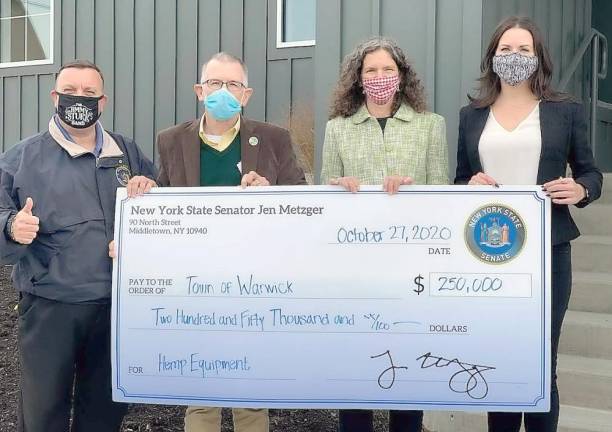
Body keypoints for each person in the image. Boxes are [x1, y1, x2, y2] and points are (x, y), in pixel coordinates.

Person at [455, 16, 602, 432]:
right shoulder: (472, 114)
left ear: (538, 57)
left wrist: (580, 190)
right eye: (506, 49)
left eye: (523, 49)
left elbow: (591, 174)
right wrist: (471, 183)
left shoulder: (564, 111)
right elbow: (460, 177)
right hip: (489, 252)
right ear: (492, 57)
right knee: (499, 361)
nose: (514, 57)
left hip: (548, 251)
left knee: (540, 363)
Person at [0, 60, 156, 432]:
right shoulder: (22, 157)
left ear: (102, 102)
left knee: (104, 412)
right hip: (50, 306)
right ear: (55, 96)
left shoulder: (126, 152)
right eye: (71, 90)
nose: (79, 99)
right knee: (43, 413)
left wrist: (149, 187)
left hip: (115, 307)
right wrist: (10, 225)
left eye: (89, 93)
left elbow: (159, 206)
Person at [156, 52, 306, 432]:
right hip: (195, 283)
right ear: (199, 90)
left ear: (247, 94)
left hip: (253, 283)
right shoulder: (171, 141)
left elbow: (301, 201)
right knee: (200, 393)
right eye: (214, 83)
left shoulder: (274, 139)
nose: (223, 91)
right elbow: (162, 207)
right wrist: (144, 191)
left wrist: (269, 192)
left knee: (250, 394)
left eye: (233, 84)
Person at [320, 36, 448, 432]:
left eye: (387, 69)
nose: (379, 77)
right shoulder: (337, 129)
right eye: (370, 70)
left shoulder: (431, 126)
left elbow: (443, 195)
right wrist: (338, 188)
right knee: (357, 371)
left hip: (411, 271)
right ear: (357, 79)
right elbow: (324, 200)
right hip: (356, 270)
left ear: (402, 75)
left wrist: (415, 192)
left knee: (407, 374)